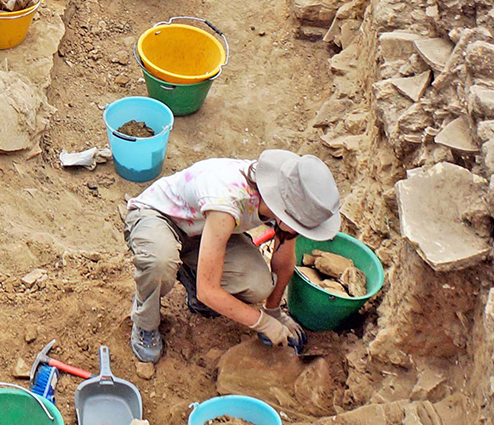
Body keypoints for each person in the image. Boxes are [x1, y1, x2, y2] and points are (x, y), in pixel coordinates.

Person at [122, 149, 342, 364]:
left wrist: (273, 312)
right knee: (160, 263)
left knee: (258, 284)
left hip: (203, 231)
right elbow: (209, 291)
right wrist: (262, 323)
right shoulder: (228, 201)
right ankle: (145, 321)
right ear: (287, 212)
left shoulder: (283, 195)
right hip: (159, 217)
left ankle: (190, 275)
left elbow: (283, 262)